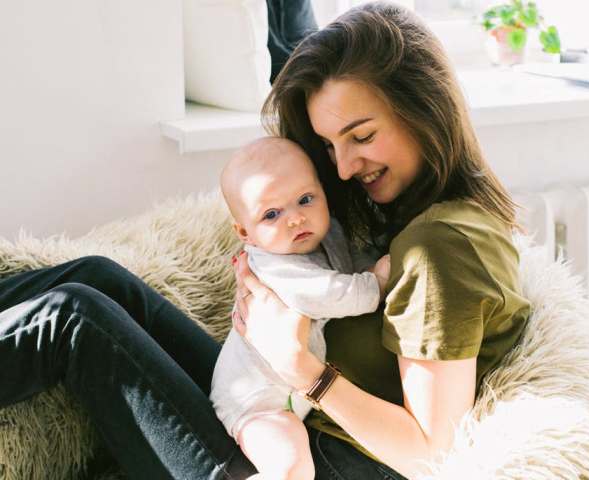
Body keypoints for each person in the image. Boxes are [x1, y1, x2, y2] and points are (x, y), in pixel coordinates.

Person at [0, 2, 530, 479]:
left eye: (362, 136)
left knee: (74, 318)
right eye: (330, 146)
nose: (344, 168)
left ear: (425, 109)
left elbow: (430, 453)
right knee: (99, 277)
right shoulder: (422, 213)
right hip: (278, 406)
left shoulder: (439, 250)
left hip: (299, 461)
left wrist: (302, 368)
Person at [214, 136, 390, 480]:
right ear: (245, 232)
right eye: (271, 214)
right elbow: (330, 293)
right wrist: (377, 283)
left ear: (323, 192)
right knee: (292, 468)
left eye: (305, 199)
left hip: (295, 396)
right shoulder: (273, 265)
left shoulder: (327, 233)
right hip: (256, 402)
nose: (295, 219)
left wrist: (369, 265)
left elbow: (350, 263)